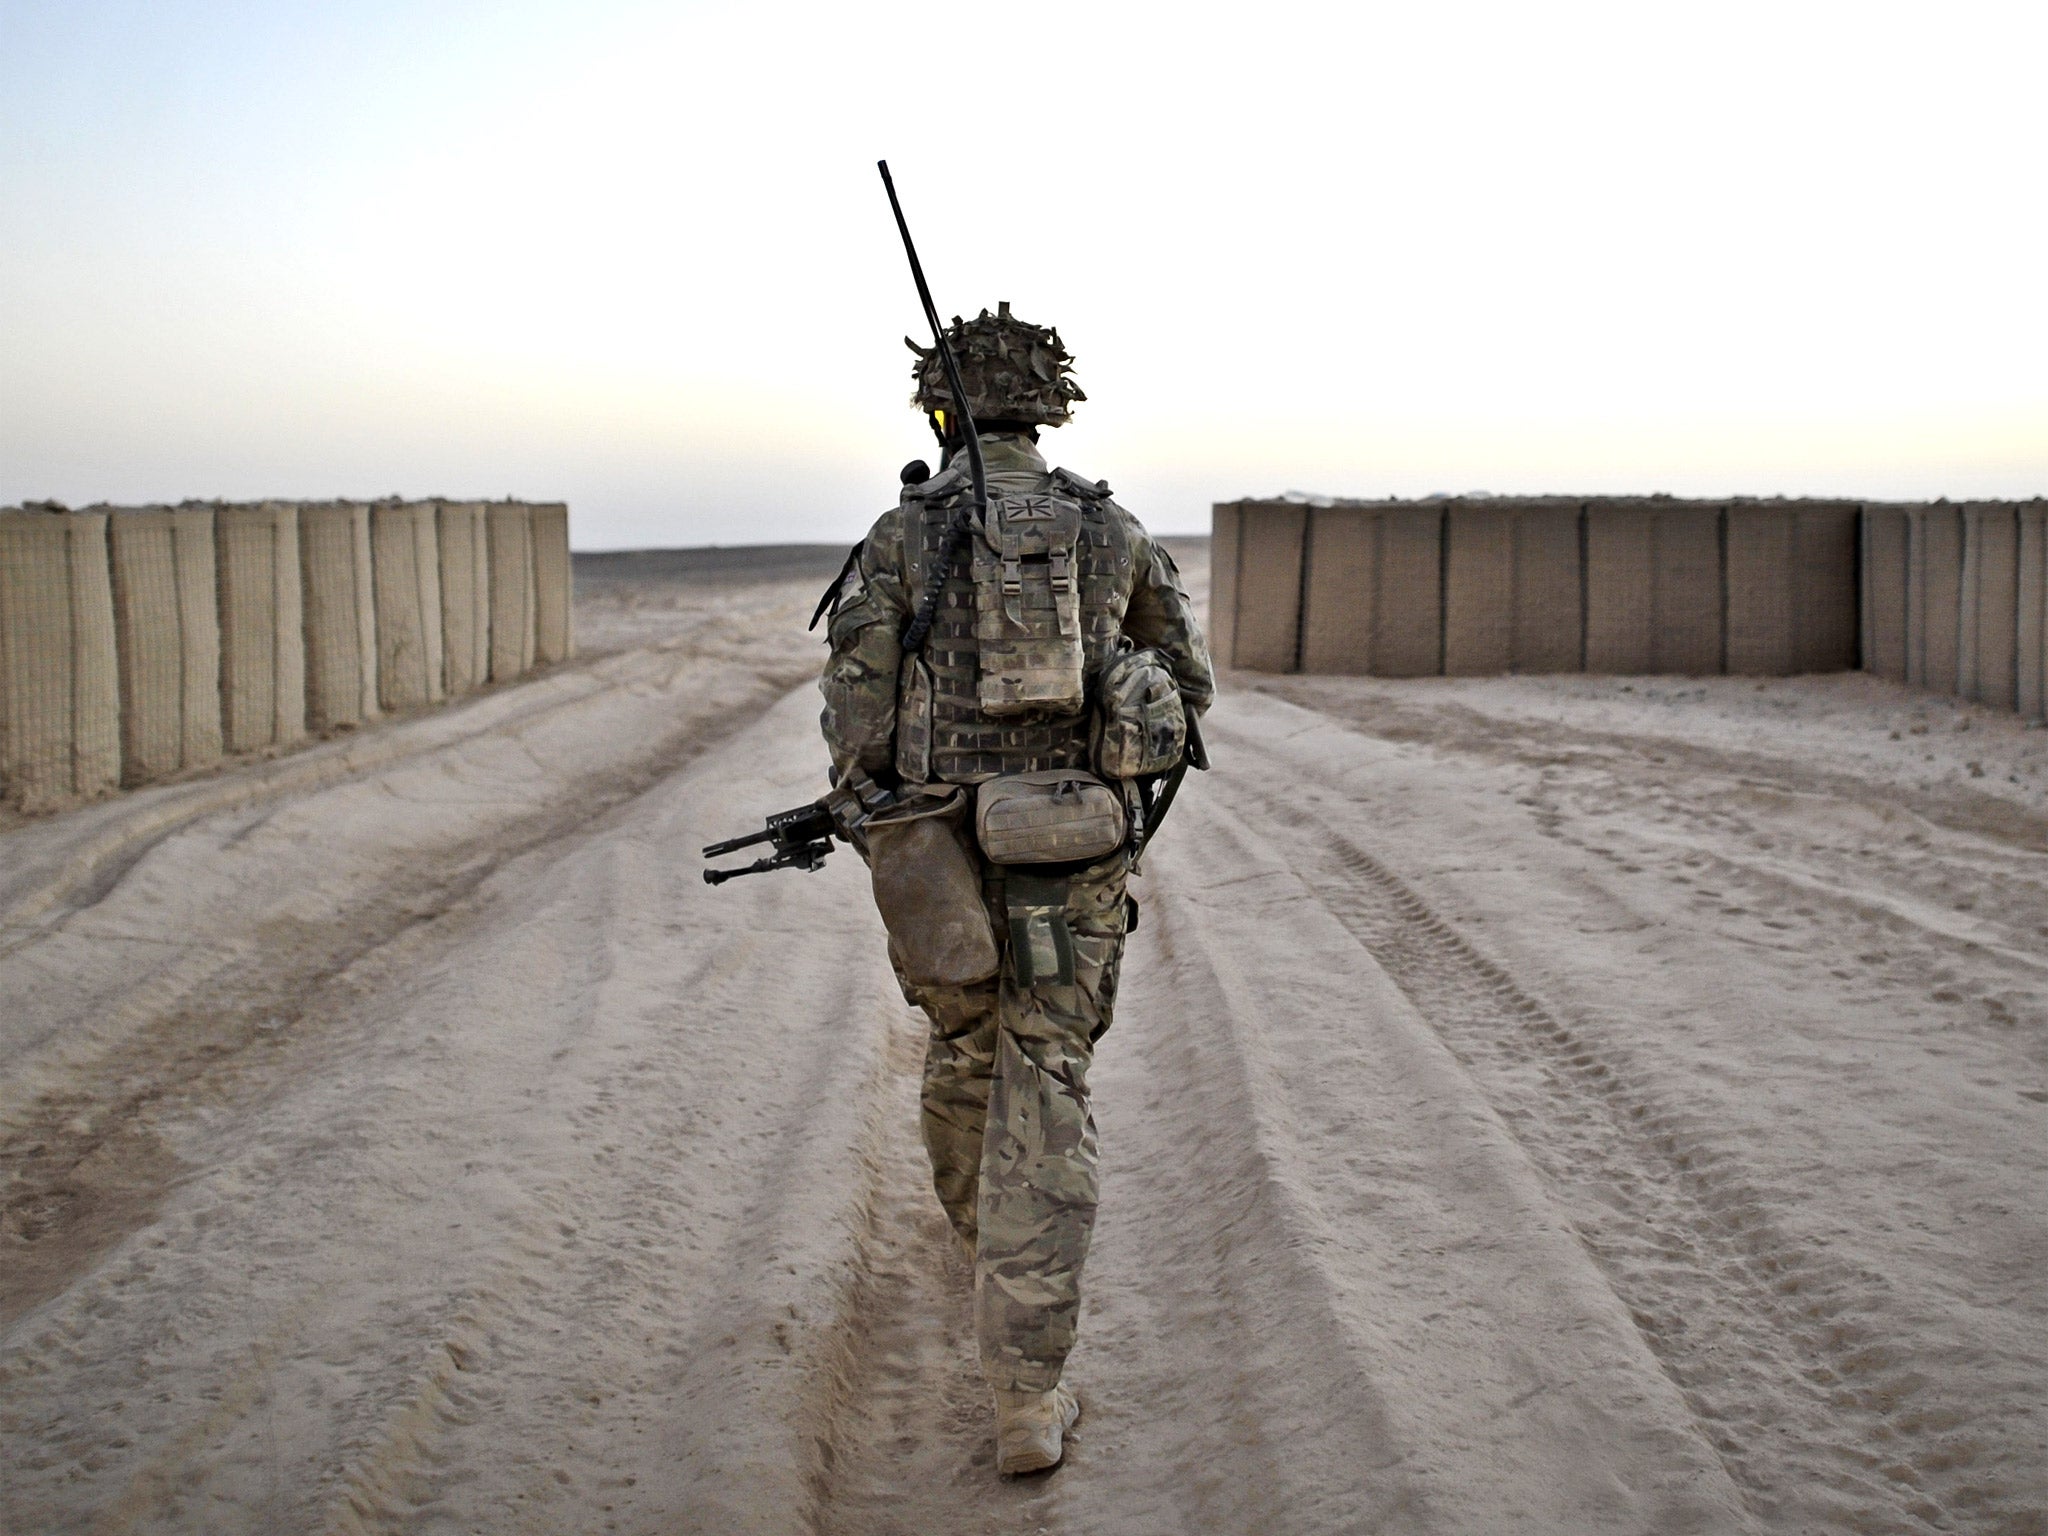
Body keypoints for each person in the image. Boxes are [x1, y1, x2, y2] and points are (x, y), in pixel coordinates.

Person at [816, 303, 1213, 1475]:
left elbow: (855, 712)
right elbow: (1185, 689)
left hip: (939, 851)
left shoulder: (901, 534)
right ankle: (1026, 1390)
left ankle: (995, 1271)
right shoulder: (1112, 529)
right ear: (1049, 407)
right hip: (1076, 854)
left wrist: (868, 810)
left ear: (939, 410)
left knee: (965, 1062)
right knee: (1048, 1081)